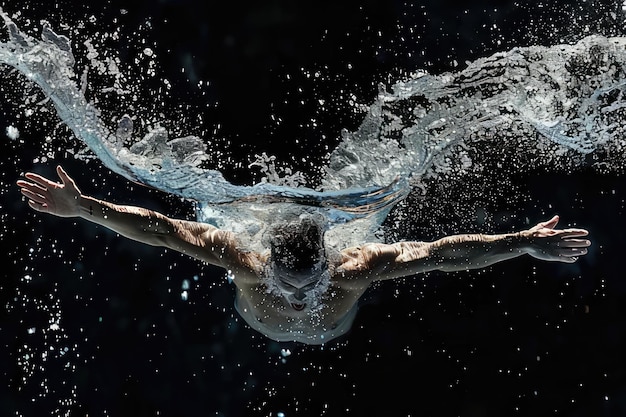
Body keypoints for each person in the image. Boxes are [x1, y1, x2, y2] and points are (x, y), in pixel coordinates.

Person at [16, 165, 591, 345]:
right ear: (265, 257)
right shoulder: (243, 259)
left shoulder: (355, 268)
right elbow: (164, 229)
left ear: (326, 261)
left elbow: (443, 253)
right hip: (262, 326)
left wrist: (523, 243)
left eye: (306, 281)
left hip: (336, 330)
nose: (295, 293)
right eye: (286, 281)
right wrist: (83, 207)